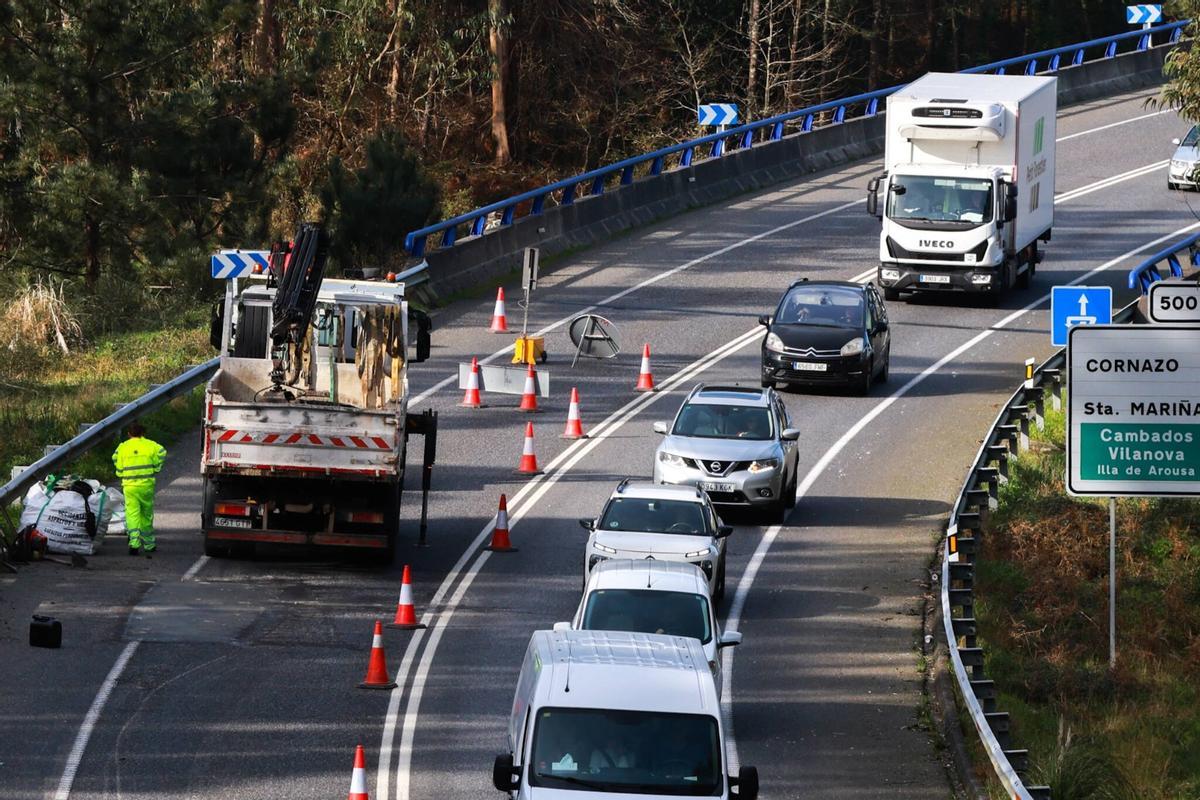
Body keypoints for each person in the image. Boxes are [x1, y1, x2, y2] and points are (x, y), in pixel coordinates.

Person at [113, 422, 166, 556]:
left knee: (132, 514)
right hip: (146, 486)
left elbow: (115, 458)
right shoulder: (150, 445)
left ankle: (134, 543)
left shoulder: (123, 447)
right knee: (146, 515)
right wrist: (156, 467)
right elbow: (162, 452)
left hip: (129, 486)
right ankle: (149, 544)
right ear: (143, 433)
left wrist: (120, 471)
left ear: (128, 434)